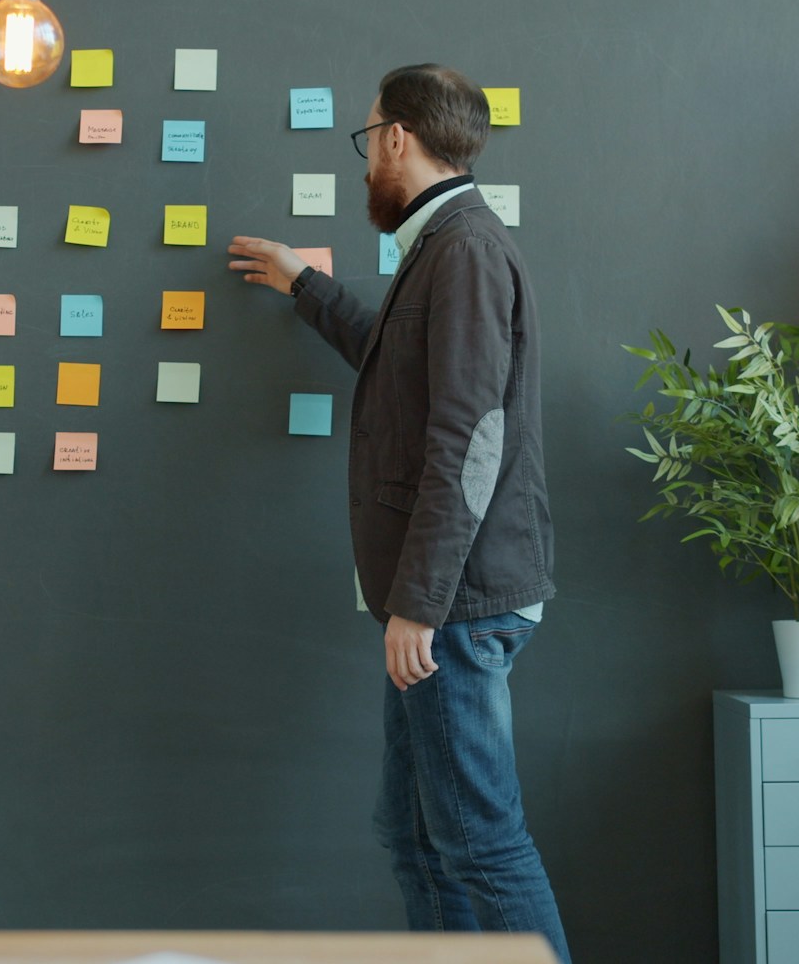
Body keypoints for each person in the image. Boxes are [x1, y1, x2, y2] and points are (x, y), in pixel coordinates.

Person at [227, 64, 569, 962]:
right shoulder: (445, 243)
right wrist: (305, 285)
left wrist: (418, 602)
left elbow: (471, 435)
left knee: (479, 841)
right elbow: (403, 365)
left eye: (366, 138)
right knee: (417, 838)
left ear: (394, 138)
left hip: (453, 606)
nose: (364, 160)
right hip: (443, 602)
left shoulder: (463, 249)